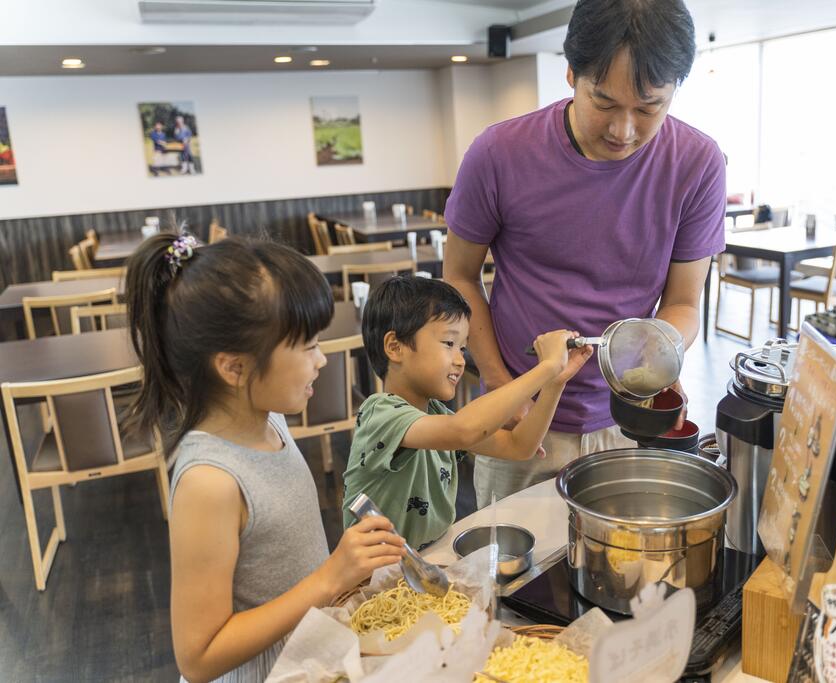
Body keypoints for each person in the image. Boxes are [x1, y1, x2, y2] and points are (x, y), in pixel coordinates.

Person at [443, 0, 727, 507]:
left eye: (649, 108)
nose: (623, 131)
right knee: (507, 576)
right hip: (517, 415)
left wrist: (661, 357)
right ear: (571, 73)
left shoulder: (698, 164)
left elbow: (683, 304)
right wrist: (500, 383)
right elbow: (460, 277)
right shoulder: (498, 153)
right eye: (604, 101)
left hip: (628, 419)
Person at [124, 234, 405, 682]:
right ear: (234, 367)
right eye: (308, 345)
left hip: (308, 650)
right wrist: (330, 577)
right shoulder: (209, 482)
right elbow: (198, 658)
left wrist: (342, 573)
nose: (322, 360)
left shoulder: (269, 419)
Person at [341, 276, 590, 551]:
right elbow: (464, 429)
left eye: (462, 348)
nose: (460, 360)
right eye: (449, 343)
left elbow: (520, 446)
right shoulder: (381, 414)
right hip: (376, 574)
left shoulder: (436, 415)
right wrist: (545, 368)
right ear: (395, 347)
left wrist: (554, 384)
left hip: (427, 558)